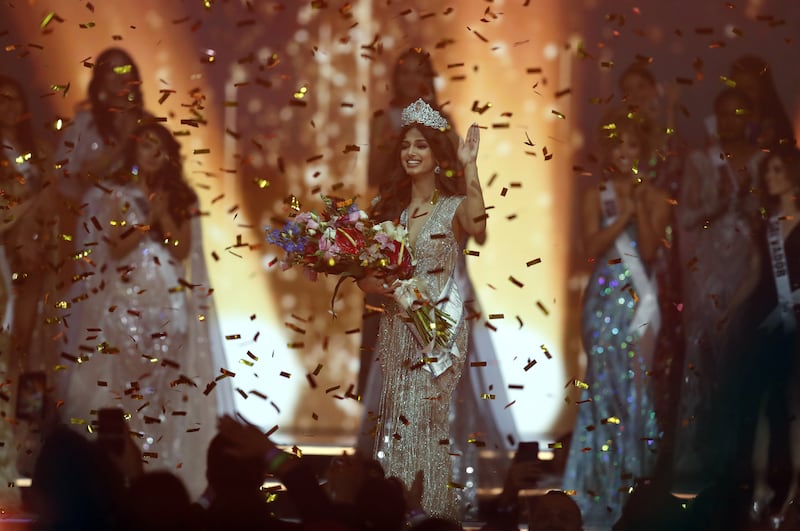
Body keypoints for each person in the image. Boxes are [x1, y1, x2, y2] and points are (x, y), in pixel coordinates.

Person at [360, 49, 518, 518]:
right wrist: (383, 287)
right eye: (405, 145)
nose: (411, 152)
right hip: (396, 331)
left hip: (438, 333)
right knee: (396, 427)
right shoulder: (390, 213)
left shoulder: (451, 208)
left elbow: (480, 227)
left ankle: (435, 514)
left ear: (435, 153)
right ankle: (401, 513)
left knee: (431, 424)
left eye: (420, 146)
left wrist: (470, 166)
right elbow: (366, 279)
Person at [56, 122, 232, 498]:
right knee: (124, 387)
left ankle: (162, 472)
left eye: (158, 147)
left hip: (166, 300)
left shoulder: (181, 195)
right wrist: (147, 218)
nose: (151, 154)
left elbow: (183, 251)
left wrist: (165, 213)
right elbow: (115, 249)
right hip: (126, 302)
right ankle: (124, 475)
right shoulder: (118, 194)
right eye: (144, 146)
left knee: (163, 388)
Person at [562, 108, 670, 527]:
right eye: (617, 144)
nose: (625, 152)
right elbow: (590, 246)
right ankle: (596, 489)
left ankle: (637, 492)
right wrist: (621, 214)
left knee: (637, 395)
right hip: (602, 302)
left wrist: (640, 205)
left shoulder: (656, 195)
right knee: (602, 392)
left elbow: (648, 251)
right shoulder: (597, 194)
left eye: (632, 144)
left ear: (642, 149)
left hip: (640, 304)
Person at [672, 87, 764, 484]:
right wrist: (716, 205)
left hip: (748, 266)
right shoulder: (700, 160)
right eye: (723, 114)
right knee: (703, 352)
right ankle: (698, 452)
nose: (730, 121)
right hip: (707, 267)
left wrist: (749, 210)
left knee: (742, 354)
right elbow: (685, 216)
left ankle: (740, 454)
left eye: (737, 113)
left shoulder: (763, 162)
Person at [728, 150, 800, 527]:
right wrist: (727, 309)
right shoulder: (767, 224)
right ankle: (759, 486)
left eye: (777, 168)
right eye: (768, 169)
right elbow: (757, 274)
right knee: (762, 407)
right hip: (768, 323)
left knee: (795, 407)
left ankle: (794, 490)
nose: (770, 175)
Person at [729, 55, 795, 150]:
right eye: (737, 89)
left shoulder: (774, 127)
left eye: (749, 88)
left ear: (763, 89)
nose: (743, 95)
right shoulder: (723, 121)